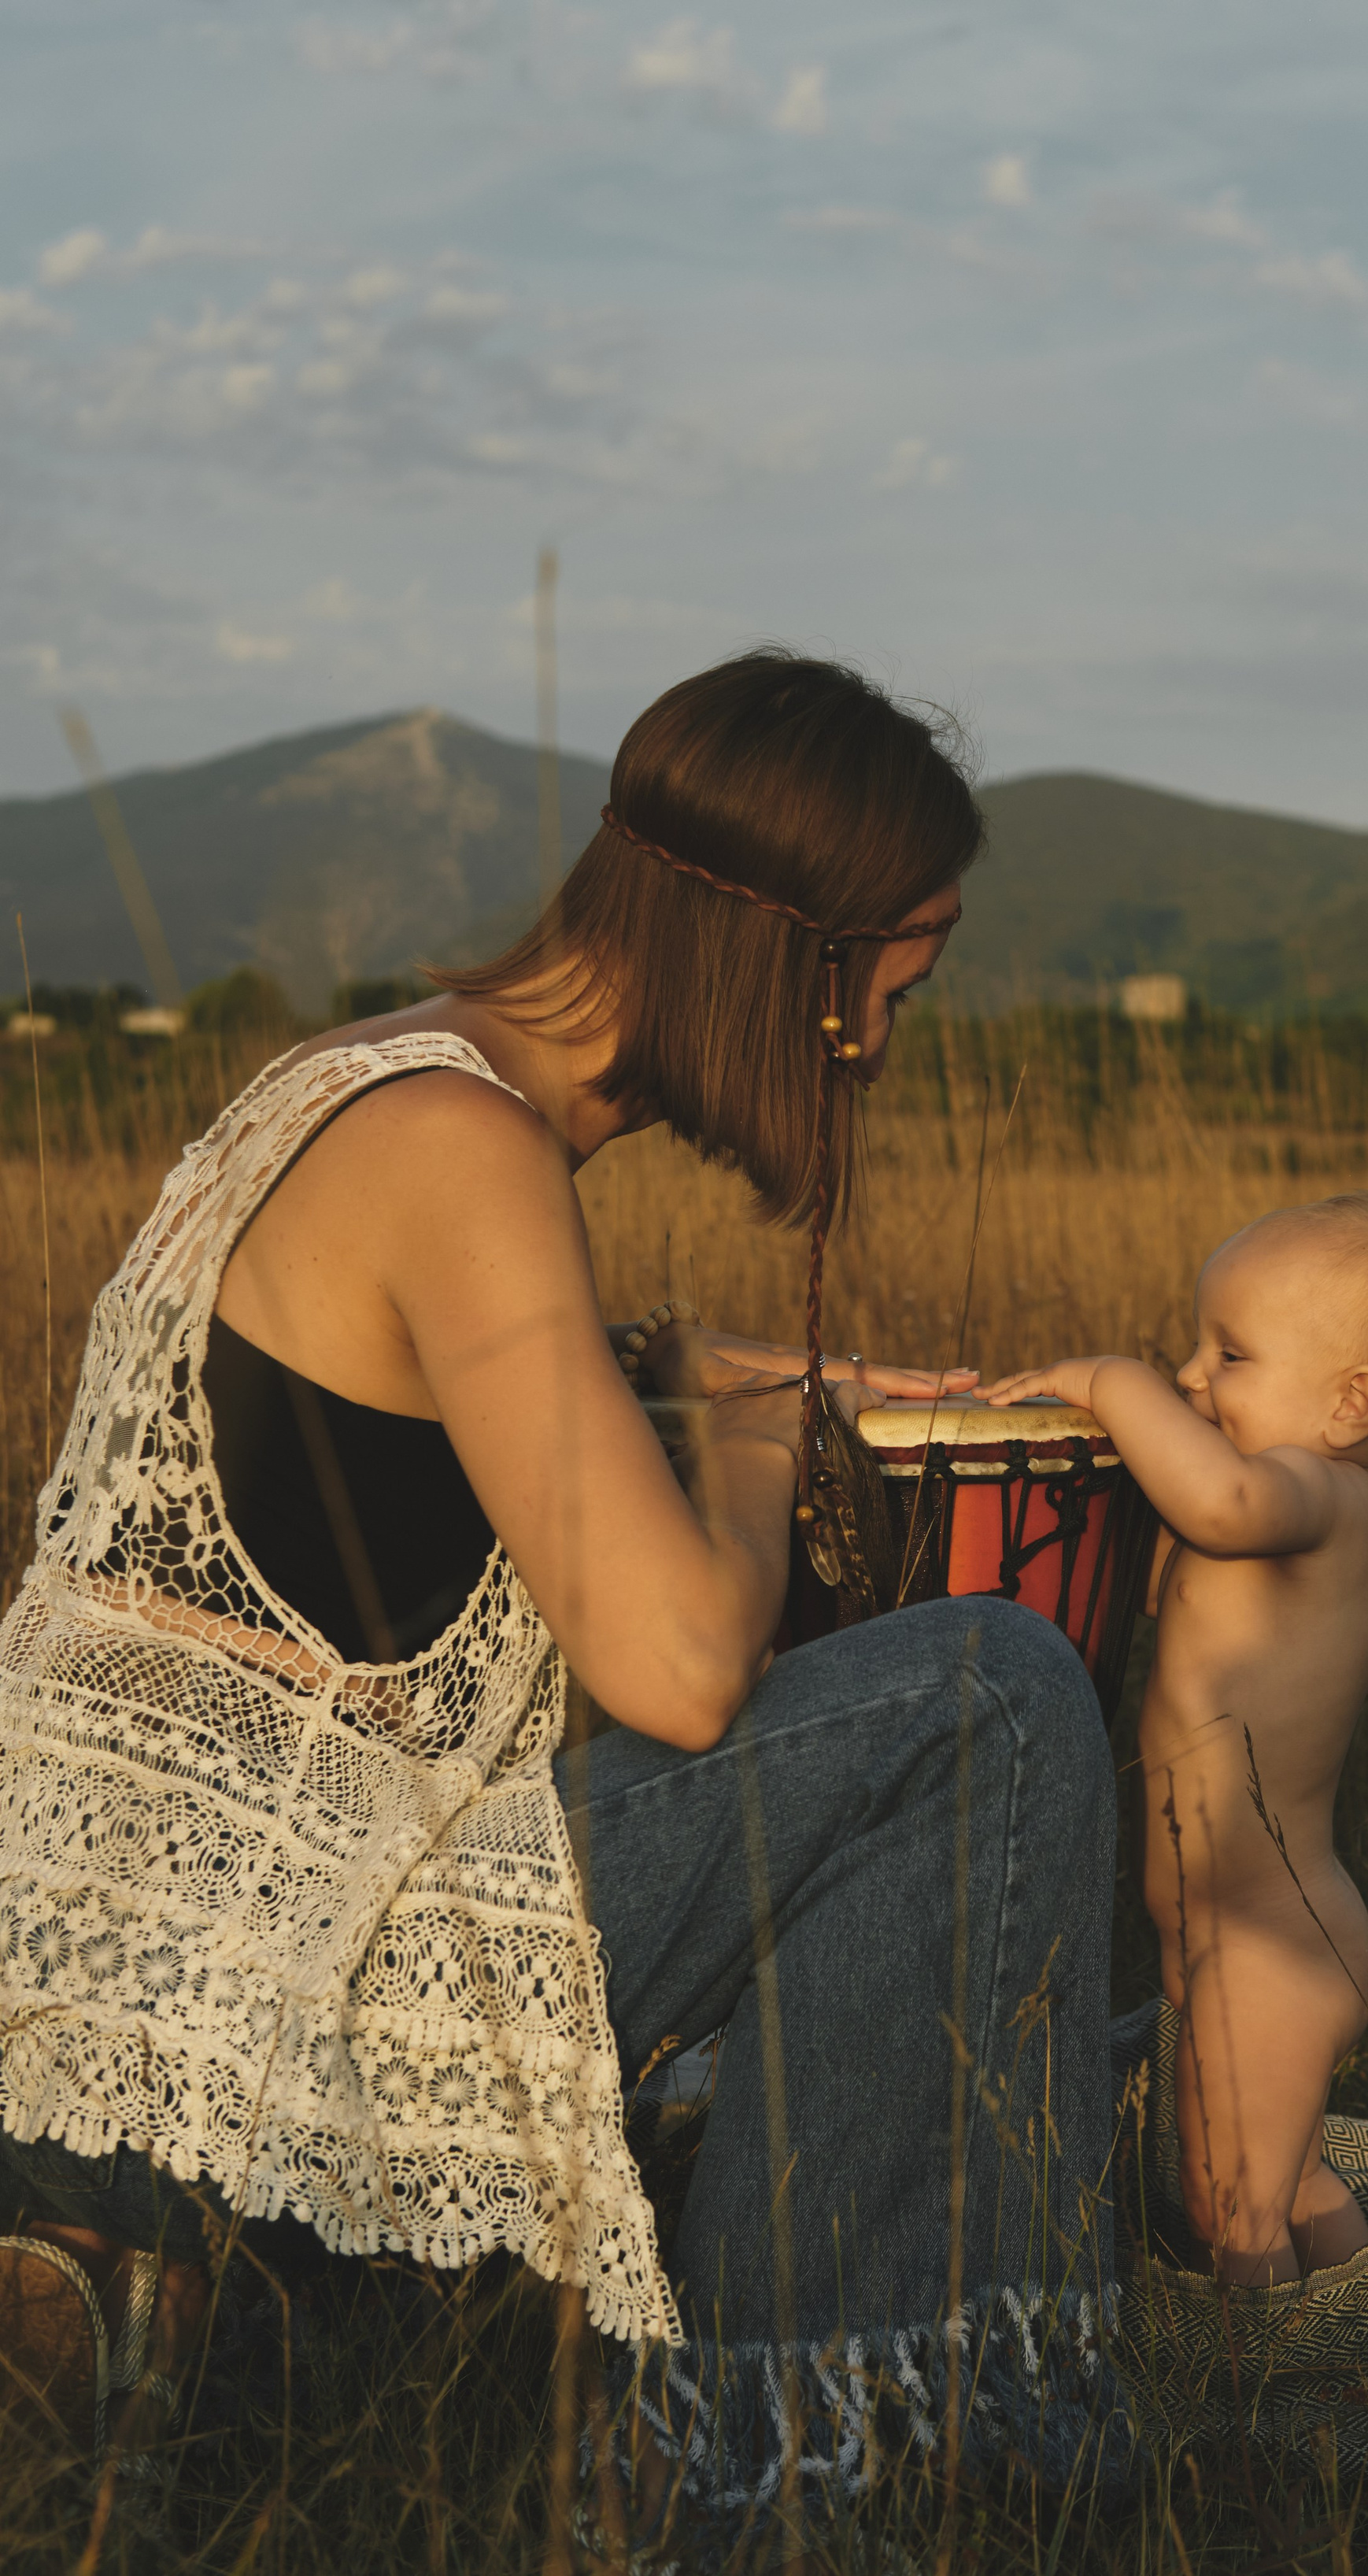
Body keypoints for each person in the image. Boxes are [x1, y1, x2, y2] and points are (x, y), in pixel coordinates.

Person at [0, 652, 1124, 2515]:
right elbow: (679, 1675)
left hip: (130, 1987)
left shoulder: (360, 1079)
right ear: (791, 961)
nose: (871, 1055)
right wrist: (753, 1433)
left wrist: (688, 1365)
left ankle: (182, 2320)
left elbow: (460, 1447)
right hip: (212, 2018)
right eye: (883, 998)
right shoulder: (460, 1146)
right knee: (978, 1696)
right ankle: (832, 2452)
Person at [982, 1193, 1368, 2285]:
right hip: (1230, 1936)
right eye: (1192, 1351)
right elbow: (1177, 1570)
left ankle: (1265, 2411)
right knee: (1284, 2184)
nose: (1193, 1378)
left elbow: (1220, 1500)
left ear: (1351, 1405)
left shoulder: (1319, 1496)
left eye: (1230, 1355)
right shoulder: (1276, 1514)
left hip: (1274, 1947)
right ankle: (1362, 2331)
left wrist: (1116, 1383)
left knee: (1232, 2210)